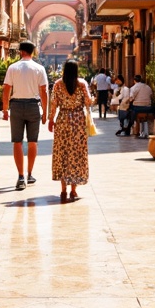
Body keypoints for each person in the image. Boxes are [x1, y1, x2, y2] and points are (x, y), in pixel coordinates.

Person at [1, 40, 49, 191]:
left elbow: (6, 89)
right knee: (33, 141)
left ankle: (20, 176)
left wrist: (4, 109)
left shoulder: (13, 67)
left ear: (21, 51)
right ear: (33, 51)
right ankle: (30, 174)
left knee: (17, 141)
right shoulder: (39, 68)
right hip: (33, 106)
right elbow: (44, 92)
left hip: (16, 106)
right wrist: (45, 112)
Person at [49, 59, 93, 202]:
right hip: (78, 120)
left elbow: (54, 103)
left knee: (62, 152)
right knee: (76, 153)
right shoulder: (82, 84)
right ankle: (73, 190)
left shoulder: (57, 84)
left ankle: (63, 190)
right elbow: (88, 102)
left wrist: (51, 119)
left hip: (62, 119)